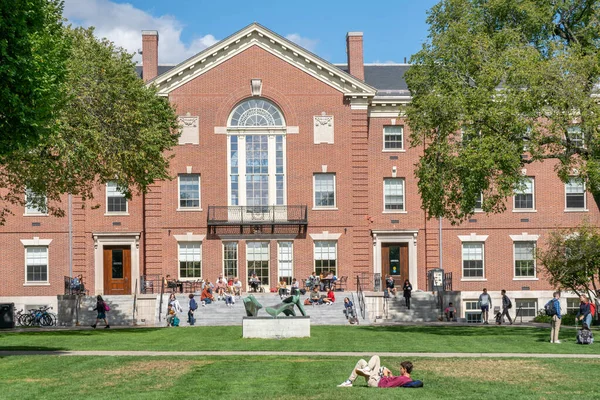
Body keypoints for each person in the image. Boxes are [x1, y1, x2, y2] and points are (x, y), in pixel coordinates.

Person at [337, 355, 414, 388]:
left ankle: (350, 381)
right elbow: (393, 381)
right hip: (377, 378)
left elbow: (385, 385)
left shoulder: (402, 379)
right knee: (362, 361)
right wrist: (390, 374)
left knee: (376, 357)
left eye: (401, 368)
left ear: (405, 370)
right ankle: (366, 370)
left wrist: (385, 375)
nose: (399, 369)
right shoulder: (406, 379)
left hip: (375, 382)